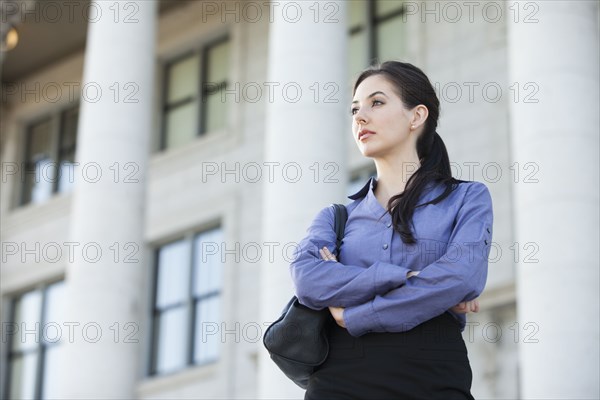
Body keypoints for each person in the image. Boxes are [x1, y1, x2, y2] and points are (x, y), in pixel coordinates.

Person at [289, 61, 494, 399]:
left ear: (417, 116)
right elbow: (308, 280)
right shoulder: (335, 217)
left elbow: (461, 278)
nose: (360, 117)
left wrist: (356, 314)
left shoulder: (467, 198)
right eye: (355, 108)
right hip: (340, 381)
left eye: (377, 102)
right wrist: (409, 278)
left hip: (432, 376)